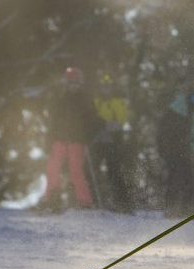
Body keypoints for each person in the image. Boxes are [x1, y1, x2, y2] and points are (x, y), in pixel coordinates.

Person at [40, 66, 103, 211]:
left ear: (80, 83)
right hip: (59, 138)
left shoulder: (85, 99)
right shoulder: (60, 98)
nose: (73, 86)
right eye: (70, 83)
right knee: (53, 168)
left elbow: (95, 120)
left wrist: (88, 135)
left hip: (77, 140)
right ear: (65, 83)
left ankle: (85, 202)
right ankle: (52, 199)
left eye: (75, 83)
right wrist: (49, 138)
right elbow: (53, 121)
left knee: (76, 170)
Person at [157, 83, 194, 211]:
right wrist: (163, 148)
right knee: (173, 176)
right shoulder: (176, 108)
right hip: (171, 148)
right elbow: (163, 130)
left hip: (184, 149)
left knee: (188, 177)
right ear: (190, 97)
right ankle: (170, 207)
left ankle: (188, 207)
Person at [92, 73, 133, 212]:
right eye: (103, 87)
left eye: (108, 87)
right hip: (97, 142)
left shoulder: (118, 102)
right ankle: (94, 200)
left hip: (113, 142)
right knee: (92, 169)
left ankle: (122, 202)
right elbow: (90, 120)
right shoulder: (96, 102)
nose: (106, 89)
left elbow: (122, 120)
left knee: (114, 171)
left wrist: (106, 125)